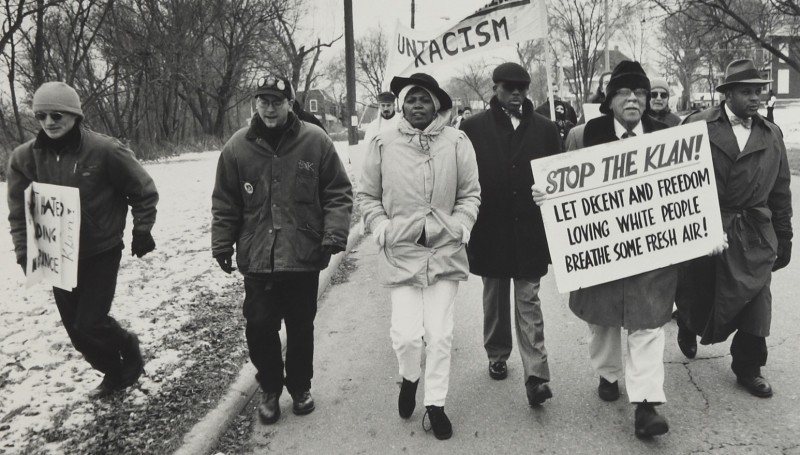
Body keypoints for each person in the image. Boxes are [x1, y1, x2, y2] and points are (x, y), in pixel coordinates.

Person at [536, 61, 676, 438]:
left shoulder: (668, 135)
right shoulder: (585, 135)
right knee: (603, 321)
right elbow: (564, 185)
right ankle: (608, 373)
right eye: (624, 93)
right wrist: (547, 195)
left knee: (648, 324)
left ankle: (646, 405)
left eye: (641, 93)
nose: (633, 99)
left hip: (651, 248)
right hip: (601, 249)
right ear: (610, 100)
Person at [211, 74, 353, 424]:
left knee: (301, 326)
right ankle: (270, 388)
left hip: (303, 254)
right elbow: (225, 201)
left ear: (291, 103)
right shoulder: (237, 147)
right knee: (259, 326)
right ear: (255, 105)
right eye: (263, 101)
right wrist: (221, 242)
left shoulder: (315, 141)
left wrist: (334, 234)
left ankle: (300, 386)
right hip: (258, 256)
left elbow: (337, 192)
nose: (270, 108)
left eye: (277, 101)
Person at [6, 81, 158, 399]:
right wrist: (24, 252)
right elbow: (19, 214)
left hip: (101, 249)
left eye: (58, 114)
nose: (50, 122)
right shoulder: (24, 158)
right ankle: (113, 374)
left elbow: (142, 189)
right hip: (55, 252)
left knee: (91, 322)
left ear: (75, 116)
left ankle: (127, 344)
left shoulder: (105, 150)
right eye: (42, 116)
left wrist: (142, 229)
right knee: (77, 334)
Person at [358, 72, 480, 440]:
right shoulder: (382, 142)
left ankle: (436, 404)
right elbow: (367, 196)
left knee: (440, 334)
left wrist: (460, 226)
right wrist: (382, 229)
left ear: (437, 105)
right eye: (411, 99)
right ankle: (410, 377)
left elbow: (470, 194)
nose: (417, 106)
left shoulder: (457, 141)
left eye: (424, 99)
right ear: (401, 105)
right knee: (407, 335)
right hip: (402, 251)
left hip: (445, 250)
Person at [674, 59, 792, 399]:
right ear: (727, 94)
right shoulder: (697, 125)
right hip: (709, 225)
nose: (755, 98)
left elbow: (781, 189)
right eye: (746, 92)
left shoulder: (772, 134)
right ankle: (686, 321)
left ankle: (748, 366)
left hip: (755, 230)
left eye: (759, 91)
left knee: (758, 297)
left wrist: (784, 235)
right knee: (699, 289)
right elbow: (675, 180)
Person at [460, 62, 562, 408]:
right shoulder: (472, 127)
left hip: (530, 228)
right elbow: (463, 175)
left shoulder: (546, 129)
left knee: (529, 300)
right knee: (495, 296)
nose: (516, 93)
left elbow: (558, 177)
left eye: (522, 87)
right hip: (490, 227)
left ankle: (536, 375)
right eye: (508, 87)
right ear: (495, 89)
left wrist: (550, 197)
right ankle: (497, 353)